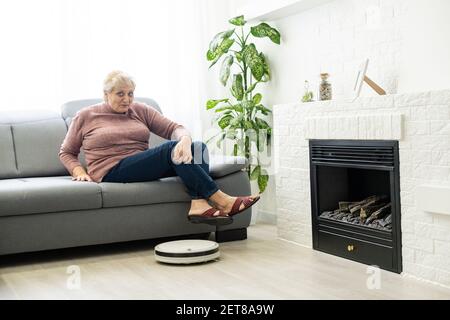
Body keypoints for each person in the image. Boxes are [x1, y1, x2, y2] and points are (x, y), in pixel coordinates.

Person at [59, 70, 259, 226]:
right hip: (111, 170)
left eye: (130, 94)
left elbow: (175, 128)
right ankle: (222, 200)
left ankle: (198, 204)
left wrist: (186, 140)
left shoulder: (139, 110)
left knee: (198, 147)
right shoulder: (86, 116)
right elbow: (67, 151)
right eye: (120, 94)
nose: (127, 99)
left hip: (141, 165)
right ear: (105, 94)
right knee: (169, 150)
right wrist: (78, 171)